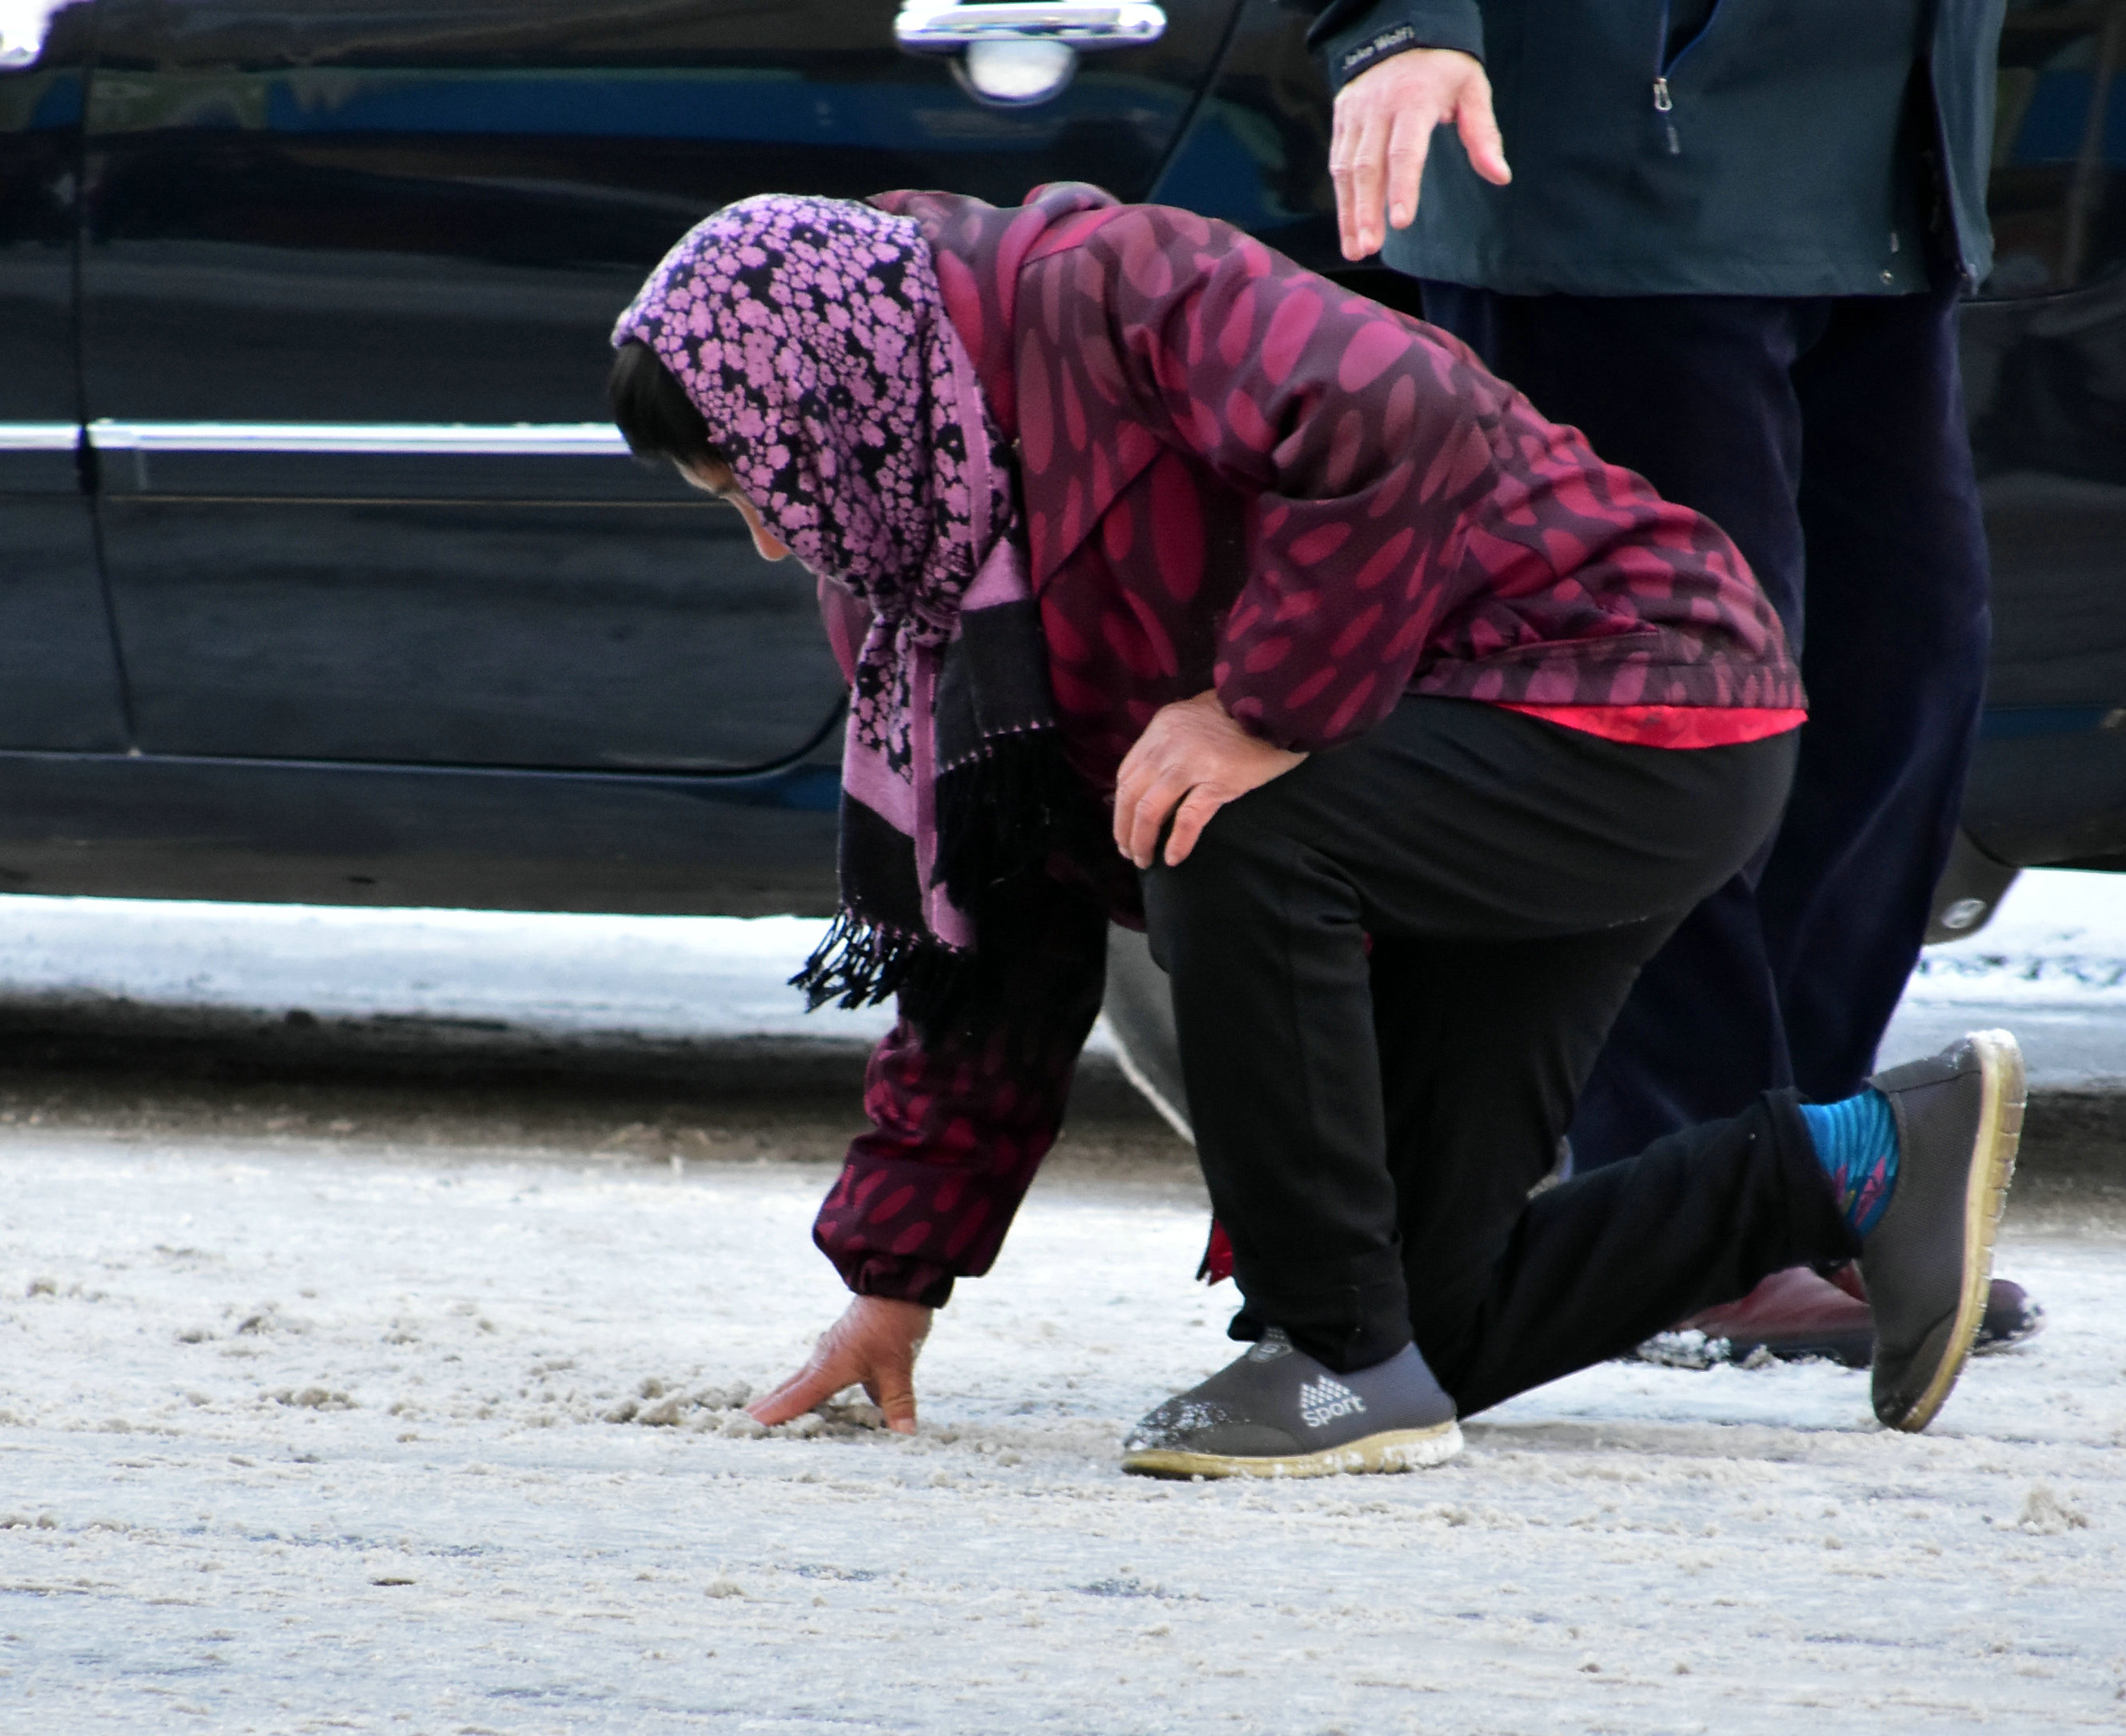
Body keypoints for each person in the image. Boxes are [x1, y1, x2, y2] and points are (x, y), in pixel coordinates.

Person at [607, 184, 2026, 1477]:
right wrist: (894, 1275)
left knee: (1216, 819)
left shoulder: (1114, 287)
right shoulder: (910, 563)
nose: (772, 538)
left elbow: (1397, 418)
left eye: (755, 484)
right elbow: (1000, 925)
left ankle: (1330, 1363)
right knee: (1430, 1325)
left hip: (1634, 693)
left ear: (829, 394)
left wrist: (1260, 708)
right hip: (1444, 772)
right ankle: (1854, 1162)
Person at [1301, 0, 2040, 1357]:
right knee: (1665, 706)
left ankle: (1799, 1177)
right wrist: (1398, 20)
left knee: (1898, 687)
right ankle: (1690, 1213)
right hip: (1618, 163)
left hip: (1889, 160)